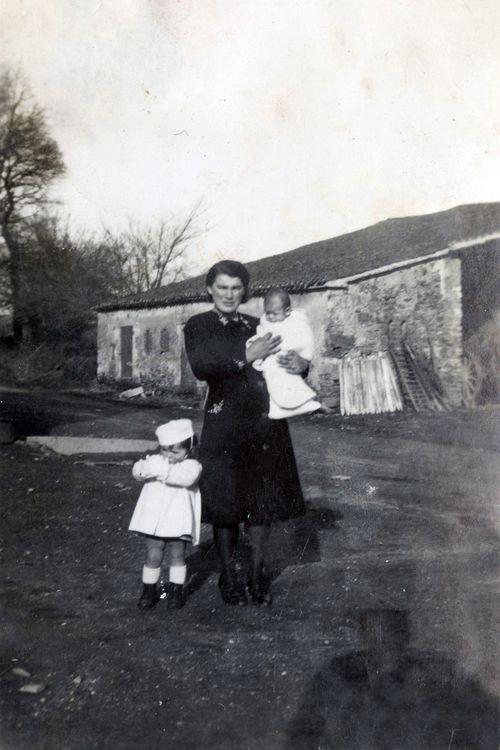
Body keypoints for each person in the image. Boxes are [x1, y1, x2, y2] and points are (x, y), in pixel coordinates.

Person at [184, 260, 307, 607]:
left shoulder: (259, 323)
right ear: (210, 289)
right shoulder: (199, 325)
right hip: (224, 426)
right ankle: (228, 574)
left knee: (261, 504)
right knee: (225, 504)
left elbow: (290, 355)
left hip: (265, 423)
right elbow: (202, 367)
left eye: (236, 288)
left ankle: (255, 574)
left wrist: (302, 365)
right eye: (222, 287)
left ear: (245, 291)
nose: (229, 294)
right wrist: (246, 355)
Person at [129, 418, 202, 610]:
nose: (168, 456)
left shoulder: (192, 466)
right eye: (164, 450)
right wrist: (141, 470)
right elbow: (138, 470)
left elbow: (185, 479)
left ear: (189, 448)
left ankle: (176, 590)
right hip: (154, 519)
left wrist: (161, 471)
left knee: (177, 555)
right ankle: (149, 589)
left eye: (175, 451)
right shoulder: (156, 461)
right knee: (153, 554)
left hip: (177, 520)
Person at [249, 287, 324, 419]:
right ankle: (277, 409)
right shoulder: (264, 321)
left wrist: (304, 359)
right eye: (267, 313)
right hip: (271, 360)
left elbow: (304, 339)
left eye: (275, 313)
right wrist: (252, 347)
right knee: (272, 382)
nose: (270, 317)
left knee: (290, 383)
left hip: (285, 359)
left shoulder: (296, 322)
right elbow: (261, 334)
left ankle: (306, 404)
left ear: (287, 311)